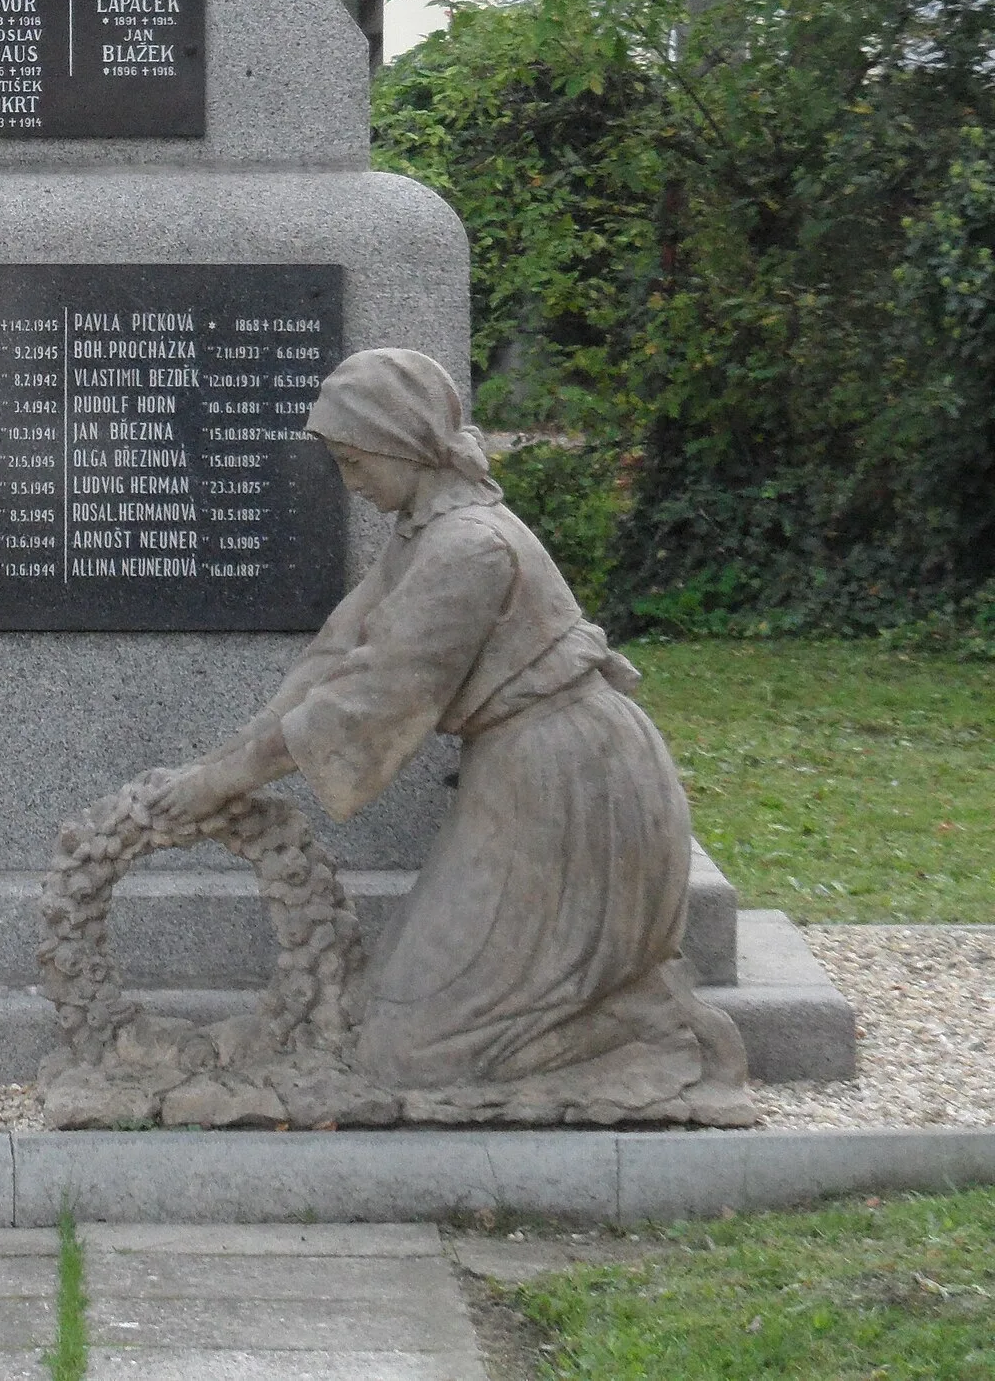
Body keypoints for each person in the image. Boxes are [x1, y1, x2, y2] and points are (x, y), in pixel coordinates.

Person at [140, 347, 750, 1119]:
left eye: (356, 461)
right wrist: (219, 762)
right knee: (387, 1015)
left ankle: (648, 1024)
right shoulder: (423, 534)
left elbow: (367, 698)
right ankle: (605, 1004)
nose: (351, 483)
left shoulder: (469, 549)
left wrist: (223, 782)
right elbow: (332, 655)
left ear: (404, 443)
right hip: (519, 771)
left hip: (570, 778)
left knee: (410, 1055)